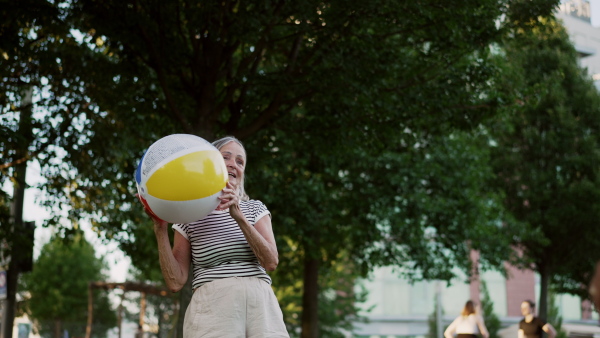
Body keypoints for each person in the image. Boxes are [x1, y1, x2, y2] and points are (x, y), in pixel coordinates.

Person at [141, 136, 289, 338]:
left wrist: (239, 216)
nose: (233, 164)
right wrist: (160, 230)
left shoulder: (255, 208)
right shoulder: (188, 217)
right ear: (210, 162)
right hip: (212, 309)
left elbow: (271, 261)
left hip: (261, 308)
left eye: (240, 161)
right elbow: (175, 282)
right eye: (225, 157)